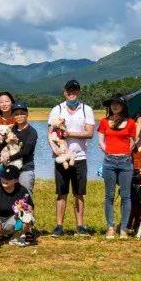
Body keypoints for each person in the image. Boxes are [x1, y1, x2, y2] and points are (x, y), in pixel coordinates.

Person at [47, 80, 95, 236]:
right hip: (61, 156)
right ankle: (59, 226)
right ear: (64, 92)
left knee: (79, 193)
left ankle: (80, 226)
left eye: (75, 91)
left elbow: (89, 133)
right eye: (69, 91)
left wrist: (70, 134)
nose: (72, 93)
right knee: (61, 192)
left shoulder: (86, 109)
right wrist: (56, 151)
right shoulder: (57, 109)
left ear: (79, 92)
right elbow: (50, 134)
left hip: (79, 156)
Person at [98, 94, 138, 238]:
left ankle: (124, 228)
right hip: (109, 161)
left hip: (125, 162)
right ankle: (110, 227)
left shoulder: (130, 122)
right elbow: (101, 141)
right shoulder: (104, 121)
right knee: (109, 196)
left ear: (123, 107)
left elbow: (134, 141)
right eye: (112, 104)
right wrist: (108, 151)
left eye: (118, 104)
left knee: (126, 196)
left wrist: (126, 151)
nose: (114, 106)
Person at [3, 102, 37, 194]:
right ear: (13, 116)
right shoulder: (11, 129)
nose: (19, 116)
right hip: (11, 167)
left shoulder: (32, 132)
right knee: (10, 195)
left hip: (25, 169)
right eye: (16, 114)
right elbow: (3, 144)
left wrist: (10, 158)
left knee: (25, 197)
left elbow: (26, 151)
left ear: (27, 114)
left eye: (22, 113)